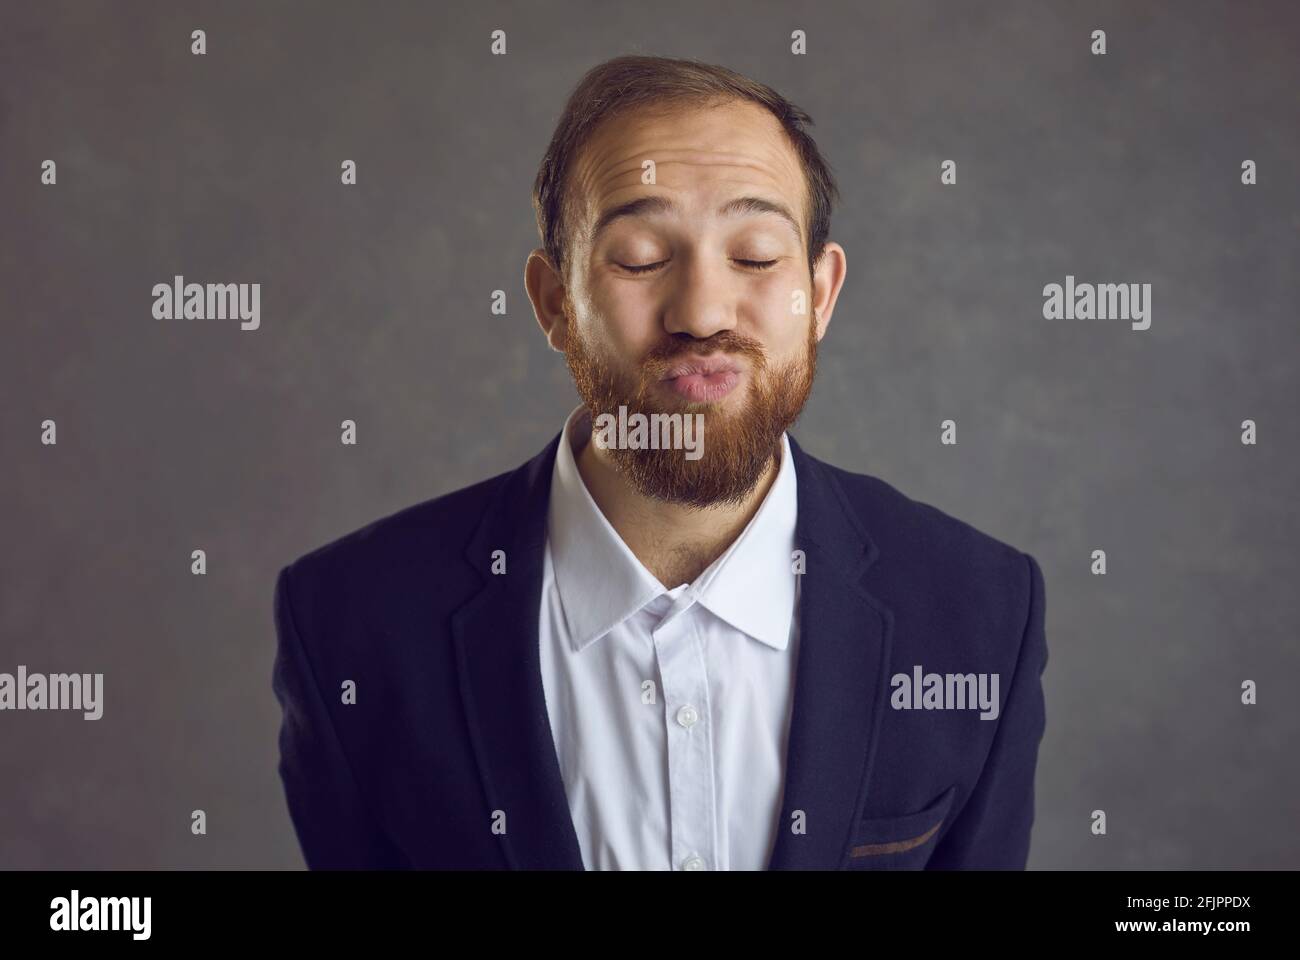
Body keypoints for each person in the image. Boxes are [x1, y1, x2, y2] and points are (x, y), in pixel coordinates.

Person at [272, 54, 1048, 870]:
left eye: (754, 255)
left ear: (820, 296)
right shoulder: (351, 622)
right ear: (554, 304)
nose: (703, 312)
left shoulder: (982, 613)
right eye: (640, 258)